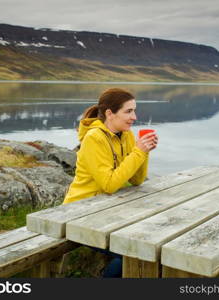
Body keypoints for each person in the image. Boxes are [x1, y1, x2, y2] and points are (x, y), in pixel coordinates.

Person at [63, 88, 158, 277]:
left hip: (106, 210)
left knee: (151, 245)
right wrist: (138, 152)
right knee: (135, 255)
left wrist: (143, 151)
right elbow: (109, 184)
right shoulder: (94, 138)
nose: (134, 117)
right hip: (80, 212)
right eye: (128, 111)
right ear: (109, 113)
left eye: (134, 111)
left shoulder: (127, 135)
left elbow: (137, 180)